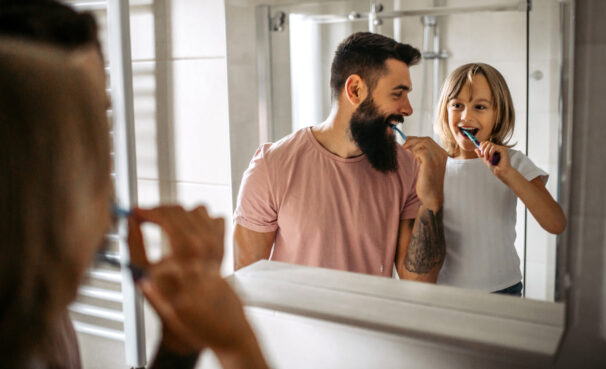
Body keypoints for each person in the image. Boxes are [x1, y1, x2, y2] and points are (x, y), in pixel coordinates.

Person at [0, 40, 268, 369]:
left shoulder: (37, 334)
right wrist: (238, 346)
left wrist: (179, 341)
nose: (109, 212)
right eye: (94, 173)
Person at [234, 32, 448, 282]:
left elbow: (419, 283)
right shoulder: (272, 166)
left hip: (369, 321)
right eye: (397, 94)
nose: (408, 109)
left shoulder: (407, 167)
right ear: (355, 89)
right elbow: (247, 280)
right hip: (297, 321)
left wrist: (432, 200)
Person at [433, 62, 567, 296]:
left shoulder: (512, 162)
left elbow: (556, 223)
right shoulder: (435, 165)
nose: (466, 116)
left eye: (480, 107)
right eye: (457, 105)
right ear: (445, 110)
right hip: (446, 290)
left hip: (503, 289)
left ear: (499, 114)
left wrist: (508, 174)